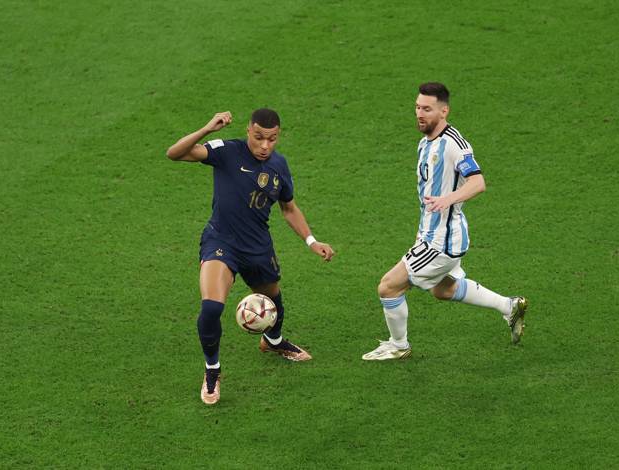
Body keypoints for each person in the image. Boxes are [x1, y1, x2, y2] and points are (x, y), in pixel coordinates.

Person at [166, 108, 335, 404]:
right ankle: (212, 370)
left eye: (271, 139)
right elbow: (175, 153)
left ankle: (273, 341)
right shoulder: (226, 151)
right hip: (221, 241)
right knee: (211, 308)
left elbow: (289, 208)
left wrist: (311, 241)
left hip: (257, 245)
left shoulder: (279, 166)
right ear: (248, 132)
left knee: (273, 298)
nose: (265, 146)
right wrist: (207, 128)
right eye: (258, 138)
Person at [362, 82, 528, 361]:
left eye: (427, 109)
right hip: (432, 234)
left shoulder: (454, 144)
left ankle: (398, 345)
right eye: (417, 107)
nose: (419, 114)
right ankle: (509, 306)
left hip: (443, 240)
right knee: (443, 289)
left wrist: (448, 199)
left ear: (444, 110)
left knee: (388, 286)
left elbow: (478, 182)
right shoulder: (424, 143)